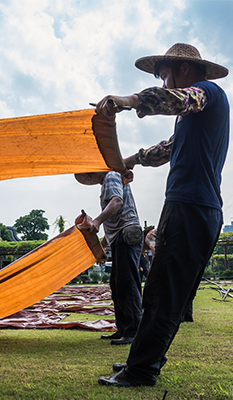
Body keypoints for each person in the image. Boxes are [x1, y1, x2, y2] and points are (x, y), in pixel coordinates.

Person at [95, 43, 229, 387]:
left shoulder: (206, 94)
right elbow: (166, 149)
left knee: (163, 293)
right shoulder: (192, 119)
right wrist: (131, 160)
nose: (165, 82)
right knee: (160, 290)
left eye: (165, 75)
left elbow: (178, 100)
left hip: (192, 207)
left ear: (183, 70)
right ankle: (141, 361)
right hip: (191, 206)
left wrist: (130, 101)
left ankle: (141, 370)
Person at [75, 171, 143, 345]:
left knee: (127, 283)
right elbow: (112, 225)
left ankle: (134, 331)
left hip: (126, 234)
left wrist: (96, 221)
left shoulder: (111, 176)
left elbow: (117, 202)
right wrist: (101, 247)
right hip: (119, 237)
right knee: (117, 284)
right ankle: (123, 329)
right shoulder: (107, 182)